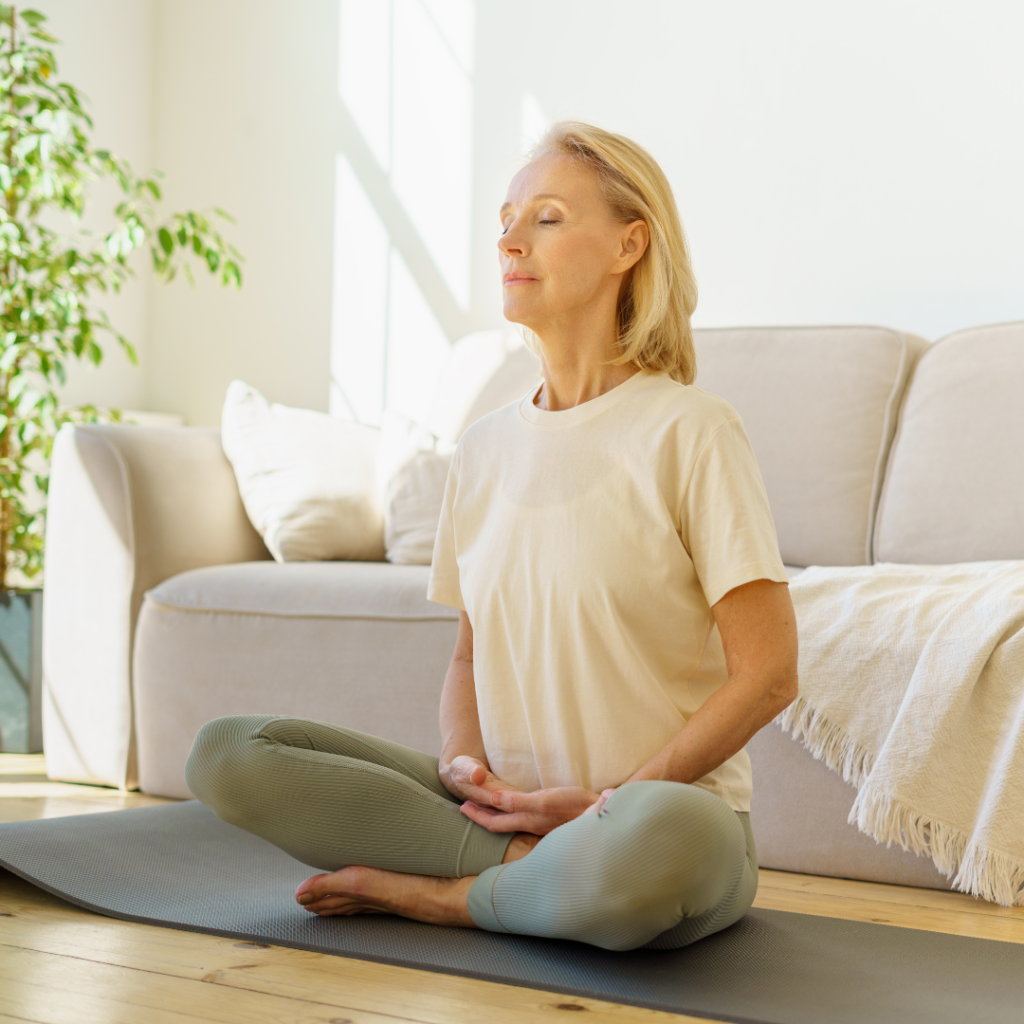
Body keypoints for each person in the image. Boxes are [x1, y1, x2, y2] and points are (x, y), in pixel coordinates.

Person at [185, 121, 798, 952]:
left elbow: (768, 675)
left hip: (661, 820)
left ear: (630, 243)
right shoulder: (481, 448)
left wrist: (606, 806)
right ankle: (526, 872)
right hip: (502, 811)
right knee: (229, 754)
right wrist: (465, 768)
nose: (509, 238)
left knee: (664, 841)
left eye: (545, 217)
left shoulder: (691, 430)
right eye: (506, 219)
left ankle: (450, 898)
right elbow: (471, 654)